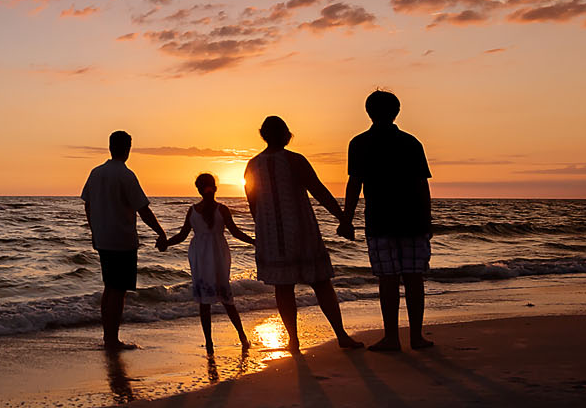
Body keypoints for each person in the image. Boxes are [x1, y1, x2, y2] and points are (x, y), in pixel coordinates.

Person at [244, 116, 363, 354]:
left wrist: (263, 232)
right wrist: (342, 219)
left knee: (283, 287)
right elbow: (319, 191)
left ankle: (294, 341)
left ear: (263, 135)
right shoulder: (294, 160)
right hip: (300, 229)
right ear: (287, 134)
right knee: (320, 282)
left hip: (271, 235)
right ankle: (340, 335)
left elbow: (253, 203)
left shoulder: (252, 165)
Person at [342, 89, 434, 351]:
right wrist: (427, 219)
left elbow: (354, 184)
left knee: (388, 279)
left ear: (368, 112)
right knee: (414, 278)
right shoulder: (411, 142)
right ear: (397, 112)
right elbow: (422, 185)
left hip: (380, 220)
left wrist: (347, 219)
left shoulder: (359, 143)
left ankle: (392, 337)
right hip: (413, 218)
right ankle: (416, 337)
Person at [80, 130, 168, 350]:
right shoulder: (126, 175)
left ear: (110, 147)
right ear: (128, 148)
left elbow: (88, 204)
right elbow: (143, 209)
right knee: (117, 291)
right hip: (122, 240)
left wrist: (94, 231)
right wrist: (160, 232)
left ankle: (107, 336)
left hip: (103, 238)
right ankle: (112, 339)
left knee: (109, 288)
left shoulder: (95, 173)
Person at [161, 172, 254, 353]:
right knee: (227, 298)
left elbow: (181, 236)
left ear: (198, 189)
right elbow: (235, 232)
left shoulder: (193, 210)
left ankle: (209, 343)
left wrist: (166, 243)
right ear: (215, 188)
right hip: (218, 254)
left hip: (200, 257)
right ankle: (242, 337)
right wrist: (255, 241)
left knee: (204, 302)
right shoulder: (222, 209)